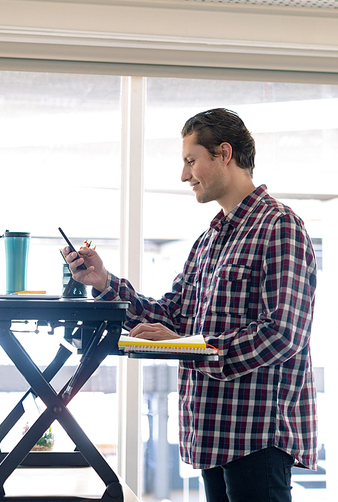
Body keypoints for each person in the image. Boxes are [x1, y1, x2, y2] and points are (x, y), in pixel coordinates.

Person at [65, 107, 317, 502]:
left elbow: (283, 333)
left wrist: (191, 348)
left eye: (190, 160)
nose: (184, 175)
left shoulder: (279, 226)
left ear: (224, 153)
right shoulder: (209, 240)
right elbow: (172, 316)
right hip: (212, 434)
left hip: (257, 436)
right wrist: (104, 282)